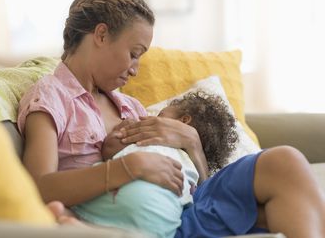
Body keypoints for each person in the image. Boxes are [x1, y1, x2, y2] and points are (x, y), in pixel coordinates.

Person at [17, 0, 325, 237]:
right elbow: (37, 186)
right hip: (136, 216)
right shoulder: (51, 97)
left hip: (183, 208)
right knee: (268, 212)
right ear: (100, 35)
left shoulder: (129, 105)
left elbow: (194, 186)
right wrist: (126, 168)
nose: (135, 70)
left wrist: (192, 144)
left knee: (285, 163)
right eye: (133, 54)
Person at [71, 90, 239, 238]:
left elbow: (110, 148)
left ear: (184, 120)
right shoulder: (193, 171)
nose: (151, 119)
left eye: (160, 116)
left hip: (125, 201)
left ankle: (75, 222)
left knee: (71, 204)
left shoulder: (150, 137)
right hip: (161, 225)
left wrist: (122, 129)